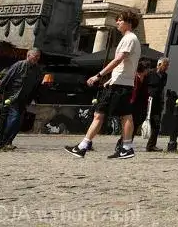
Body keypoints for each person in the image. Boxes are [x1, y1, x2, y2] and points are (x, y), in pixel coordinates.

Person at [66, 10, 142, 159]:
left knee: (111, 115)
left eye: (120, 20)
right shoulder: (132, 39)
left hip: (120, 85)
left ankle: (87, 147)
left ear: (128, 22)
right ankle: (123, 148)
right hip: (120, 83)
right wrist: (110, 79)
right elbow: (126, 65)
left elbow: (118, 60)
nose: (117, 23)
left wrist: (99, 75)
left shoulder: (129, 38)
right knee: (114, 115)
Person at [0, 49, 44, 150]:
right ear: (28, 55)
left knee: (18, 121)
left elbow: (36, 85)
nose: (37, 58)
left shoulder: (37, 70)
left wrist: (34, 98)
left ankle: (7, 141)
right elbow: (7, 78)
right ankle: (2, 141)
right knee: (13, 118)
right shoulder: (19, 65)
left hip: (24, 99)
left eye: (38, 56)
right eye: (35, 56)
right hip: (12, 97)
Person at [143, 57, 170, 152]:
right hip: (147, 101)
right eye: (165, 65)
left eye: (167, 65)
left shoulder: (164, 75)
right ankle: (124, 143)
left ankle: (151, 145)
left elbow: (161, 88)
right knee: (137, 120)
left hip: (157, 102)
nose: (167, 67)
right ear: (159, 65)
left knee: (156, 124)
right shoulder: (150, 73)